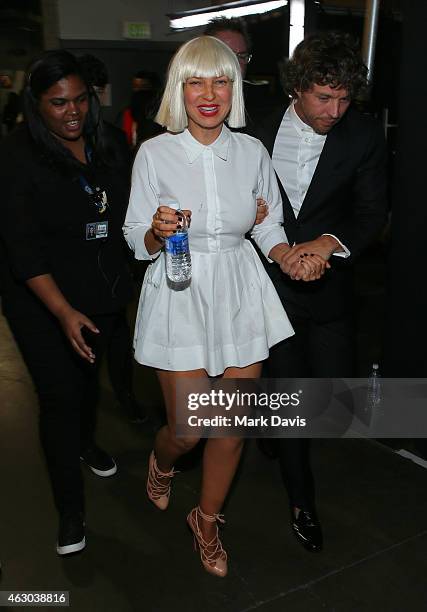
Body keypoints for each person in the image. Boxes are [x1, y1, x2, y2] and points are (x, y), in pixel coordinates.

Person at [123, 35, 327, 578]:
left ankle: (207, 519)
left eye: (220, 81)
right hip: (180, 291)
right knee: (188, 429)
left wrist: (287, 257)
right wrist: (155, 233)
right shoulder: (154, 153)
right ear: (179, 89)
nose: (208, 94)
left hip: (239, 289)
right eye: (195, 82)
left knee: (231, 425)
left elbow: (266, 223)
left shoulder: (252, 152)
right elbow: (132, 236)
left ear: (233, 88)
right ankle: (162, 461)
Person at [253, 31, 387, 552]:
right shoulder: (254, 129)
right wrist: (282, 249)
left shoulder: (364, 135)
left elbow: (371, 212)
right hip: (270, 283)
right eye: (323, 97)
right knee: (292, 394)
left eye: (344, 98)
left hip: (332, 287)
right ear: (297, 88)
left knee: (328, 388)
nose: (335, 110)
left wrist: (325, 245)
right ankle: (300, 499)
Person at [0, 50, 134, 555]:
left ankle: (86, 441)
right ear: (37, 105)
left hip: (96, 291)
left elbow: (127, 214)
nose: (72, 111)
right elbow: (23, 249)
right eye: (58, 103)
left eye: (80, 99)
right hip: (40, 299)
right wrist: (61, 312)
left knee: (86, 383)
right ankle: (71, 512)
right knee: (59, 396)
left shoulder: (110, 143)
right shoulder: (16, 156)